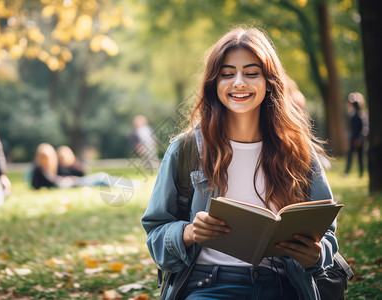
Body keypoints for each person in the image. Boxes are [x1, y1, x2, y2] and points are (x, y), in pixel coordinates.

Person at [142, 27, 338, 299]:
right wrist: (188, 232)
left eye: (251, 73)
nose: (239, 83)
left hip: (283, 285)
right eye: (227, 74)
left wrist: (316, 254)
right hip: (208, 286)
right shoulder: (185, 149)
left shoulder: (299, 150)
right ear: (214, 83)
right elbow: (155, 233)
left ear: (269, 81)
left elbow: (326, 232)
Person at [31, 143, 140, 190]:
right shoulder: (39, 170)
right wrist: (64, 180)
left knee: (101, 177)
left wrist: (71, 161)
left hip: (73, 182)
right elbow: (48, 183)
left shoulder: (53, 168)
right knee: (100, 178)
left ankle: (131, 183)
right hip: (72, 184)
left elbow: (82, 171)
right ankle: (131, 184)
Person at [343, 92, 369, 178]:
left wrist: (359, 139)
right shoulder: (352, 114)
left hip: (358, 140)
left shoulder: (360, 115)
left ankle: (361, 173)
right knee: (350, 156)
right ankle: (347, 172)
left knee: (360, 157)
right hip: (353, 139)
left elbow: (364, 128)